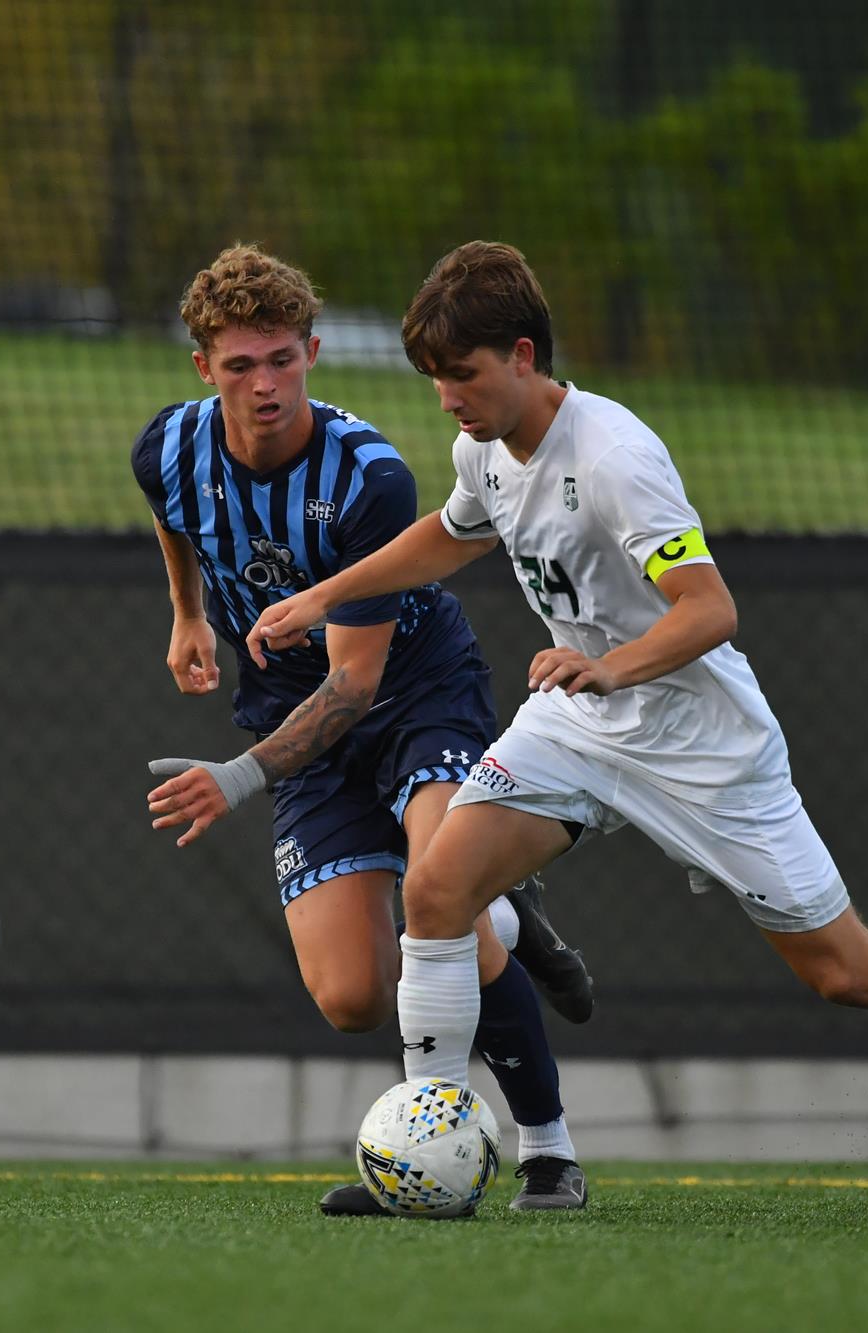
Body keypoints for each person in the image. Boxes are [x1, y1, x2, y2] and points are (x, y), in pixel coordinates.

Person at [248, 240, 868, 1220]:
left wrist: (606, 662)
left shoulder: (614, 457)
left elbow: (707, 609)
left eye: (462, 375)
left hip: (700, 742)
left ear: (522, 355)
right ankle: (427, 1157)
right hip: (580, 720)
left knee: (846, 971)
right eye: (434, 380)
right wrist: (325, 596)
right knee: (434, 887)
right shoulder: (481, 444)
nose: (446, 398)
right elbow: (454, 528)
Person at [135, 244, 594, 1213]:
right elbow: (171, 513)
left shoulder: (365, 476)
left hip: (412, 695)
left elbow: (350, 686)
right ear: (202, 370)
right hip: (286, 717)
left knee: (443, 908)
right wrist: (184, 613)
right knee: (349, 996)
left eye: (281, 361)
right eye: (238, 366)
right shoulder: (166, 448)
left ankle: (545, 1152)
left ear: (309, 351)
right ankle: (508, 914)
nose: (263, 386)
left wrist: (236, 776)